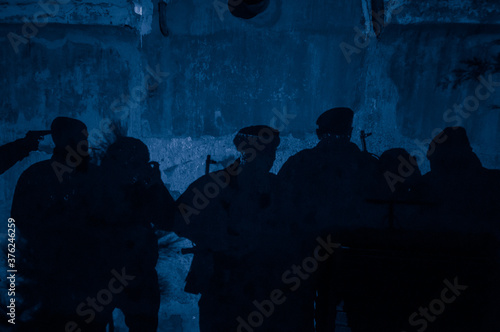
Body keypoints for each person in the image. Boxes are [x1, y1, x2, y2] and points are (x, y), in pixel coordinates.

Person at [278, 107, 383, 332]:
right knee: (356, 314)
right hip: (353, 253)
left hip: (307, 250)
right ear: (350, 131)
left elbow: (281, 205)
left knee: (302, 312)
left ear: (319, 133)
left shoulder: (301, 163)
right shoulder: (367, 165)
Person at [174, 125, 288, 332]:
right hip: (223, 282)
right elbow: (179, 220)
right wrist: (217, 240)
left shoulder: (278, 188)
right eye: (267, 152)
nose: (271, 158)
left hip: (262, 285)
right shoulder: (214, 185)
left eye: (272, 152)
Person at [11, 117, 106, 331]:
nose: (85, 142)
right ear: (62, 139)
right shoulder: (38, 176)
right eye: (80, 137)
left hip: (78, 275)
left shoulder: (94, 176)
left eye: (85, 137)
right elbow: (20, 220)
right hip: (55, 275)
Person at [93, 136, 177, 332]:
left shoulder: (141, 187)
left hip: (137, 274)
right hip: (102, 273)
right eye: (137, 163)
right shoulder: (96, 187)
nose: (141, 167)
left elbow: (169, 219)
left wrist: (156, 184)